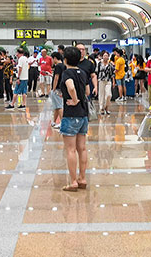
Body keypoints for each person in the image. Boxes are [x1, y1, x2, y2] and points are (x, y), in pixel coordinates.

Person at [60, 46, 89, 192]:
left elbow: (70, 87)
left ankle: (73, 182)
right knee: (82, 148)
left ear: (65, 59)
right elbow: (88, 91)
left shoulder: (67, 73)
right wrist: (80, 99)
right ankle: (82, 178)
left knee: (70, 150)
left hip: (71, 115)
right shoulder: (83, 72)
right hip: (83, 115)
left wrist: (74, 99)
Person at [96, 51, 115, 115]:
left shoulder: (110, 64)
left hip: (108, 81)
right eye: (104, 55)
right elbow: (97, 73)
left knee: (109, 95)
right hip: (101, 80)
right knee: (101, 95)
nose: (105, 57)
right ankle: (101, 108)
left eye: (106, 55)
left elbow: (112, 74)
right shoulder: (99, 64)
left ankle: (106, 107)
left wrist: (113, 82)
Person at [50, 51, 66, 127]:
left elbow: (56, 78)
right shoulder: (63, 65)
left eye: (52, 59)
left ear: (55, 58)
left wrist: (53, 89)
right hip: (61, 88)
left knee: (59, 106)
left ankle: (63, 123)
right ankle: (54, 121)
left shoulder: (58, 66)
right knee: (56, 106)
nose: (52, 61)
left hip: (57, 89)